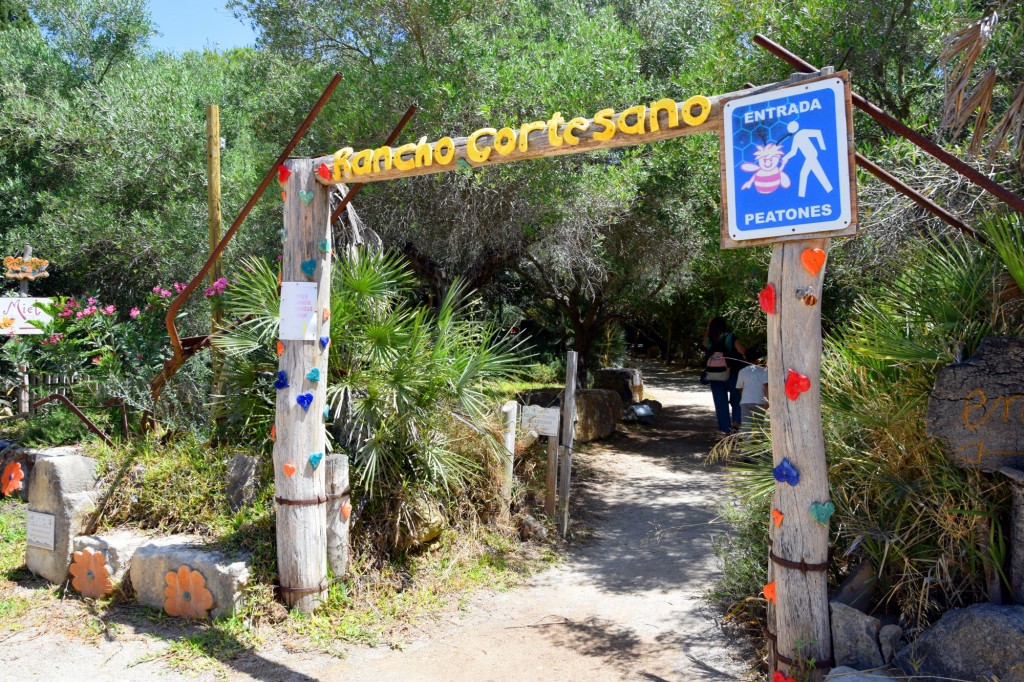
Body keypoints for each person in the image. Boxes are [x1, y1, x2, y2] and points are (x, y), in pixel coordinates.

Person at [703, 317, 746, 434]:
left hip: (714, 374)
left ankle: (725, 430)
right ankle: (736, 424)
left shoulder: (710, 339)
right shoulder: (730, 337)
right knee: (737, 400)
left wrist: (708, 326)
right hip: (732, 373)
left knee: (720, 403)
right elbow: (742, 351)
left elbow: (704, 344)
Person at [735, 351, 769, 436]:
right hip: (760, 401)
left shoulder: (742, 371)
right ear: (758, 360)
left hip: (745, 401)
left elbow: (740, 387)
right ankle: (760, 442)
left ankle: (747, 443)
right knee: (760, 426)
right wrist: (767, 400)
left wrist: (745, 396)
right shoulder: (763, 371)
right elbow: (766, 386)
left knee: (746, 427)